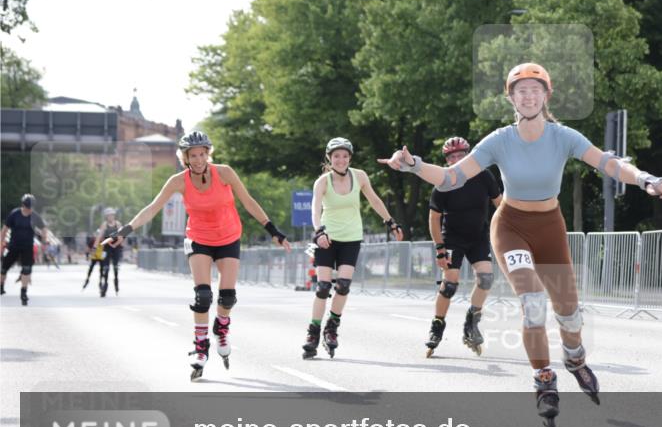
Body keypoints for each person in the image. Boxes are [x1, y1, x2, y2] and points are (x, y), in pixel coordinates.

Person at [380, 63, 662, 427]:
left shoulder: (564, 136)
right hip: (510, 227)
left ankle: (575, 358)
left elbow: (608, 163)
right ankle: (543, 377)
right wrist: (413, 164)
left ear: (546, 95)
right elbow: (450, 178)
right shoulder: (499, 140)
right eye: (520, 90)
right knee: (533, 303)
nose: (528, 96)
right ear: (511, 98)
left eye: (534, 90)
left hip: (550, 227)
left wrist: (647, 179)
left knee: (569, 314)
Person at [104, 131, 291, 380]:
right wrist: (124, 231)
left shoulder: (224, 173)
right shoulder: (178, 181)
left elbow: (248, 201)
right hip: (199, 238)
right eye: (194, 155)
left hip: (228, 237)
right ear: (185, 157)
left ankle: (221, 329)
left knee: (227, 297)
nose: (199, 159)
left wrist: (273, 231)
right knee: (203, 296)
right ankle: (201, 347)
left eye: (203, 154)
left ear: (208, 153)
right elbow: (152, 208)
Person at [303, 137, 403, 359]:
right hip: (327, 239)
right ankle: (313, 331)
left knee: (344, 285)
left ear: (350, 158)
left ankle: (332, 327)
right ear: (329, 159)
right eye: (336, 156)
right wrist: (319, 232)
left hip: (351, 238)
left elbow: (375, 200)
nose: (341, 160)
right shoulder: (323, 181)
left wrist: (390, 221)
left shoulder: (359, 176)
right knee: (322, 287)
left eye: (345, 156)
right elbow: (315, 208)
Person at [425, 136, 502, 357]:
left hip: (478, 237)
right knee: (450, 285)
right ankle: (437, 326)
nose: (457, 160)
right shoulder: (443, 182)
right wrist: (439, 248)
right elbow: (433, 219)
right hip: (452, 239)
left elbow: (501, 205)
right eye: (452, 157)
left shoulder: (484, 176)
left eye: (461, 156)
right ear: (447, 161)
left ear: (469, 156)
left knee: (486, 278)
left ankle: (472, 320)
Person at [1, 194, 48, 306]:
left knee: (27, 270)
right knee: (3, 268)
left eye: (31, 207)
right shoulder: (14, 214)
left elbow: (44, 229)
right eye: (27, 206)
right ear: (23, 205)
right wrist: (1, 243)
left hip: (27, 247)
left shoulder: (35, 216)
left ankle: (23, 292)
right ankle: (1, 285)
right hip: (13, 246)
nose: (29, 209)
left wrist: (43, 243)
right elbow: (4, 229)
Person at [96, 207, 123, 296]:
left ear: (114, 216)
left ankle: (116, 284)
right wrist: (95, 245)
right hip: (107, 248)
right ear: (106, 217)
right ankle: (104, 287)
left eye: (111, 215)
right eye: (108, 216)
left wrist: (115, 245)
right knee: (106, 268)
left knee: (115, 268)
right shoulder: (104, 225)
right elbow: (100, 236)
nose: (110, 217)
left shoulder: (118, 224)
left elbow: (121, 237)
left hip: (116, 247)